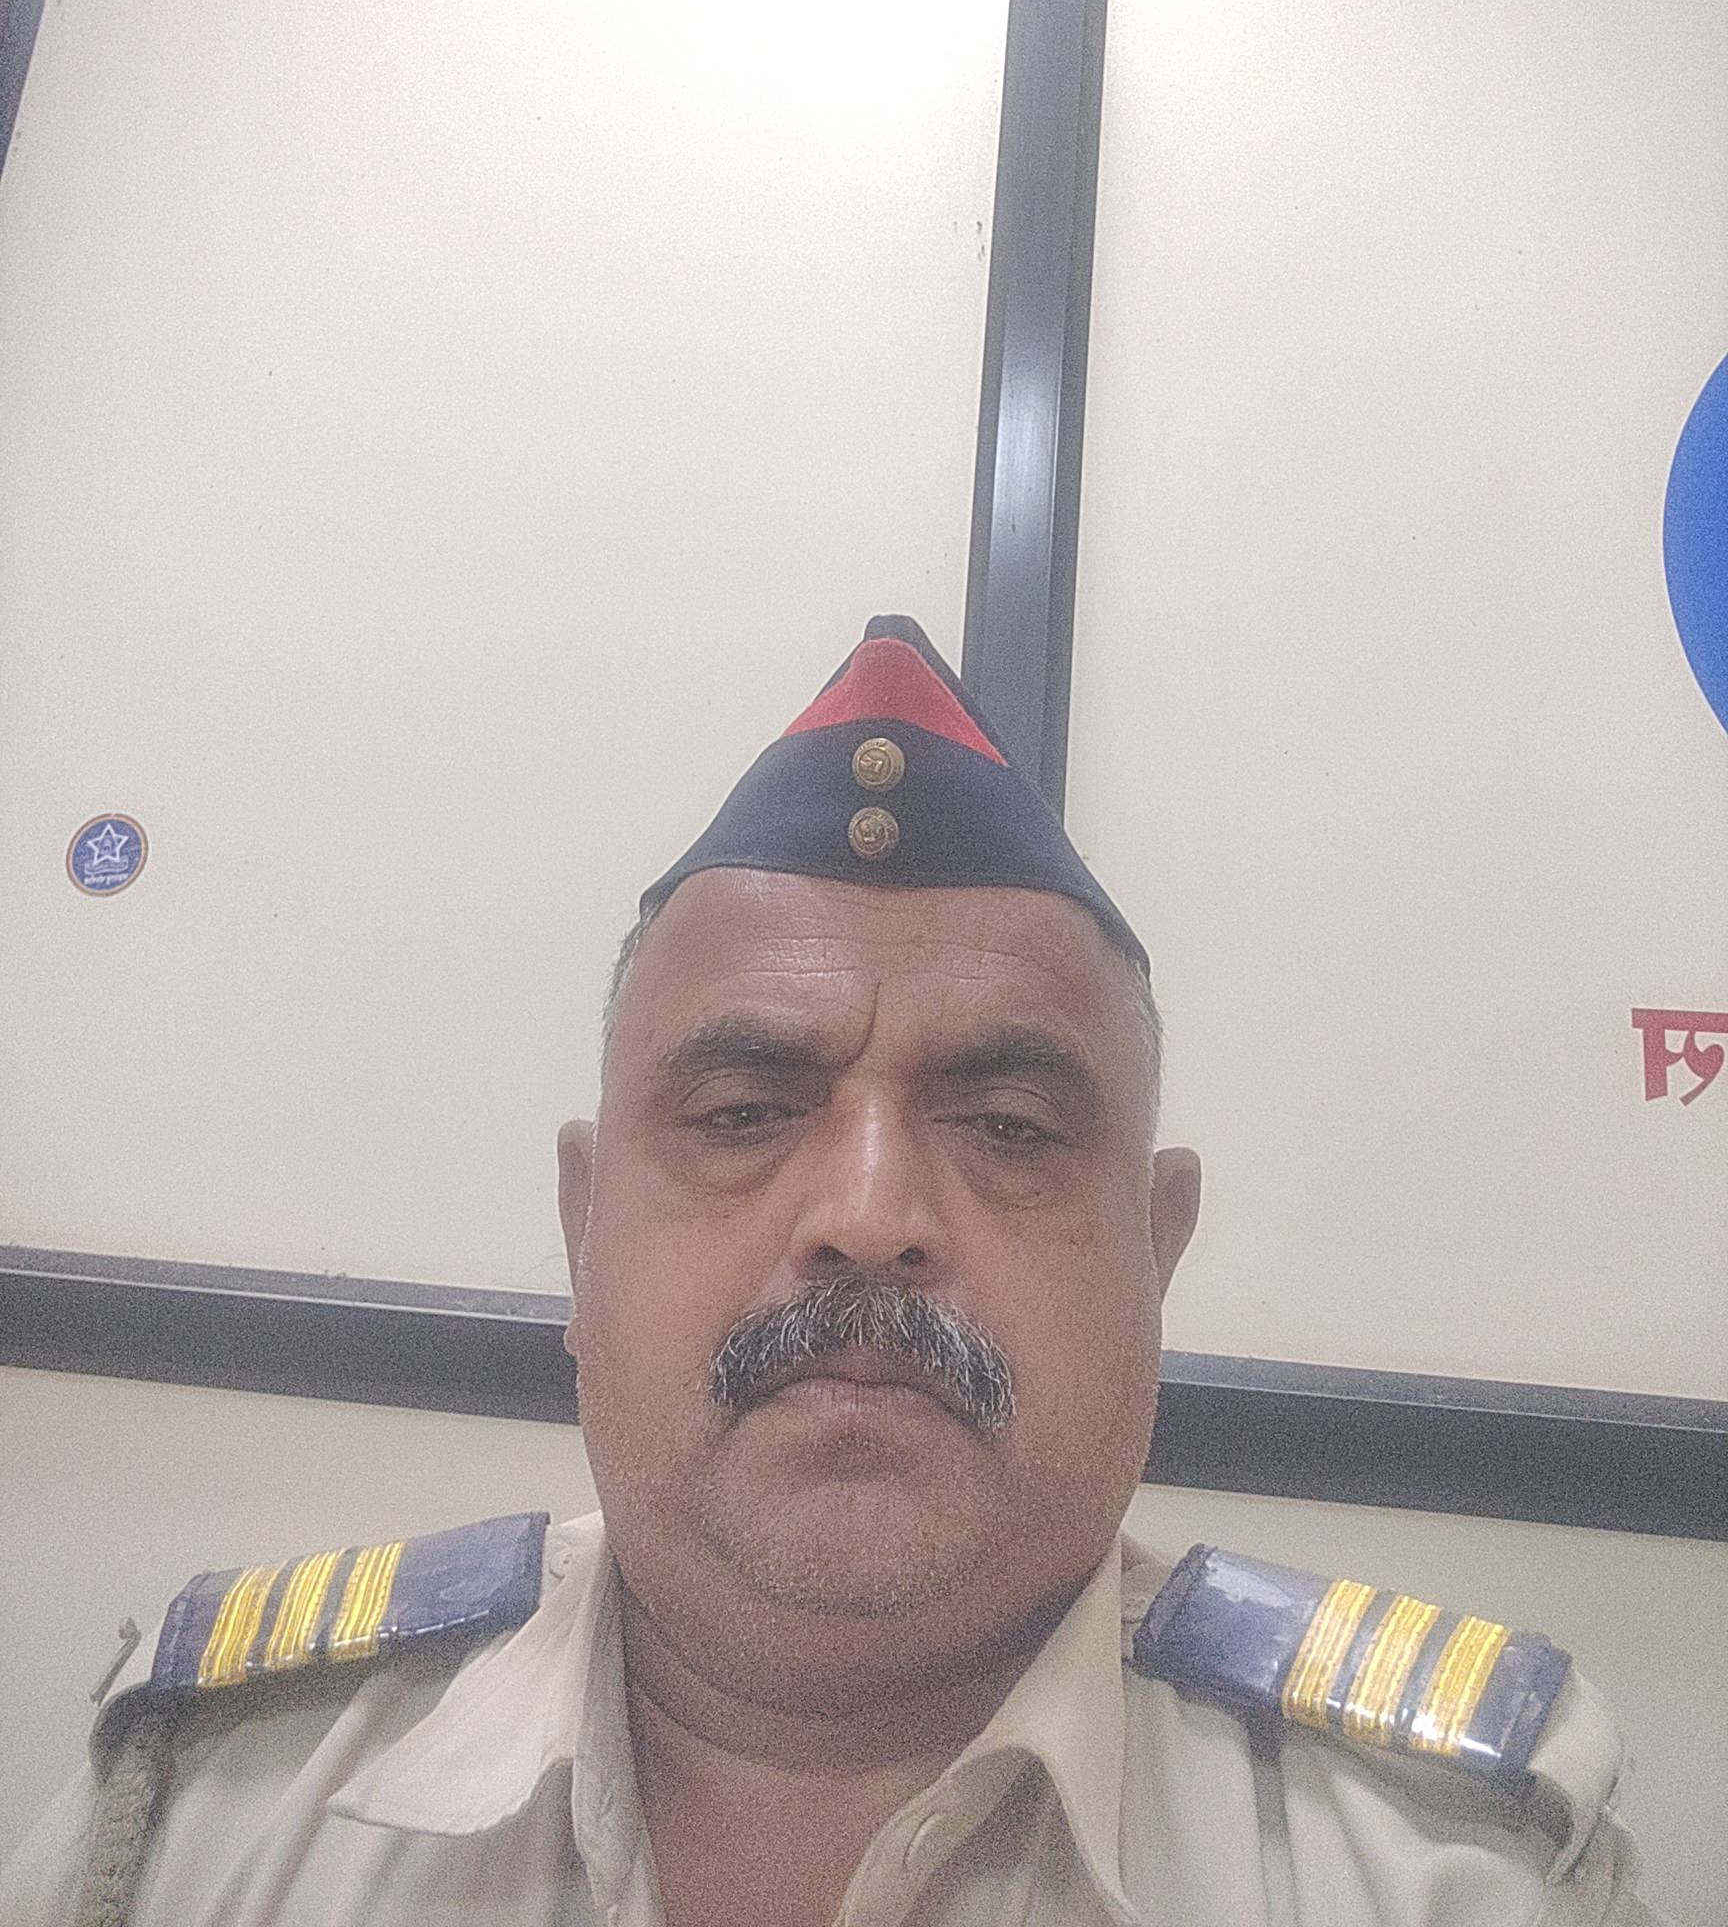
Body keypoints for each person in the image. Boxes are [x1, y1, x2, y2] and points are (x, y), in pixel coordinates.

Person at [0, 617, 1660, 1926]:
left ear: (1157, 1255)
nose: (869, 1214)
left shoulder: (1457, 1871)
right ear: (584, 1229)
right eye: (743, 1112)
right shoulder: (205, 1811)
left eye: (1009, 1126)